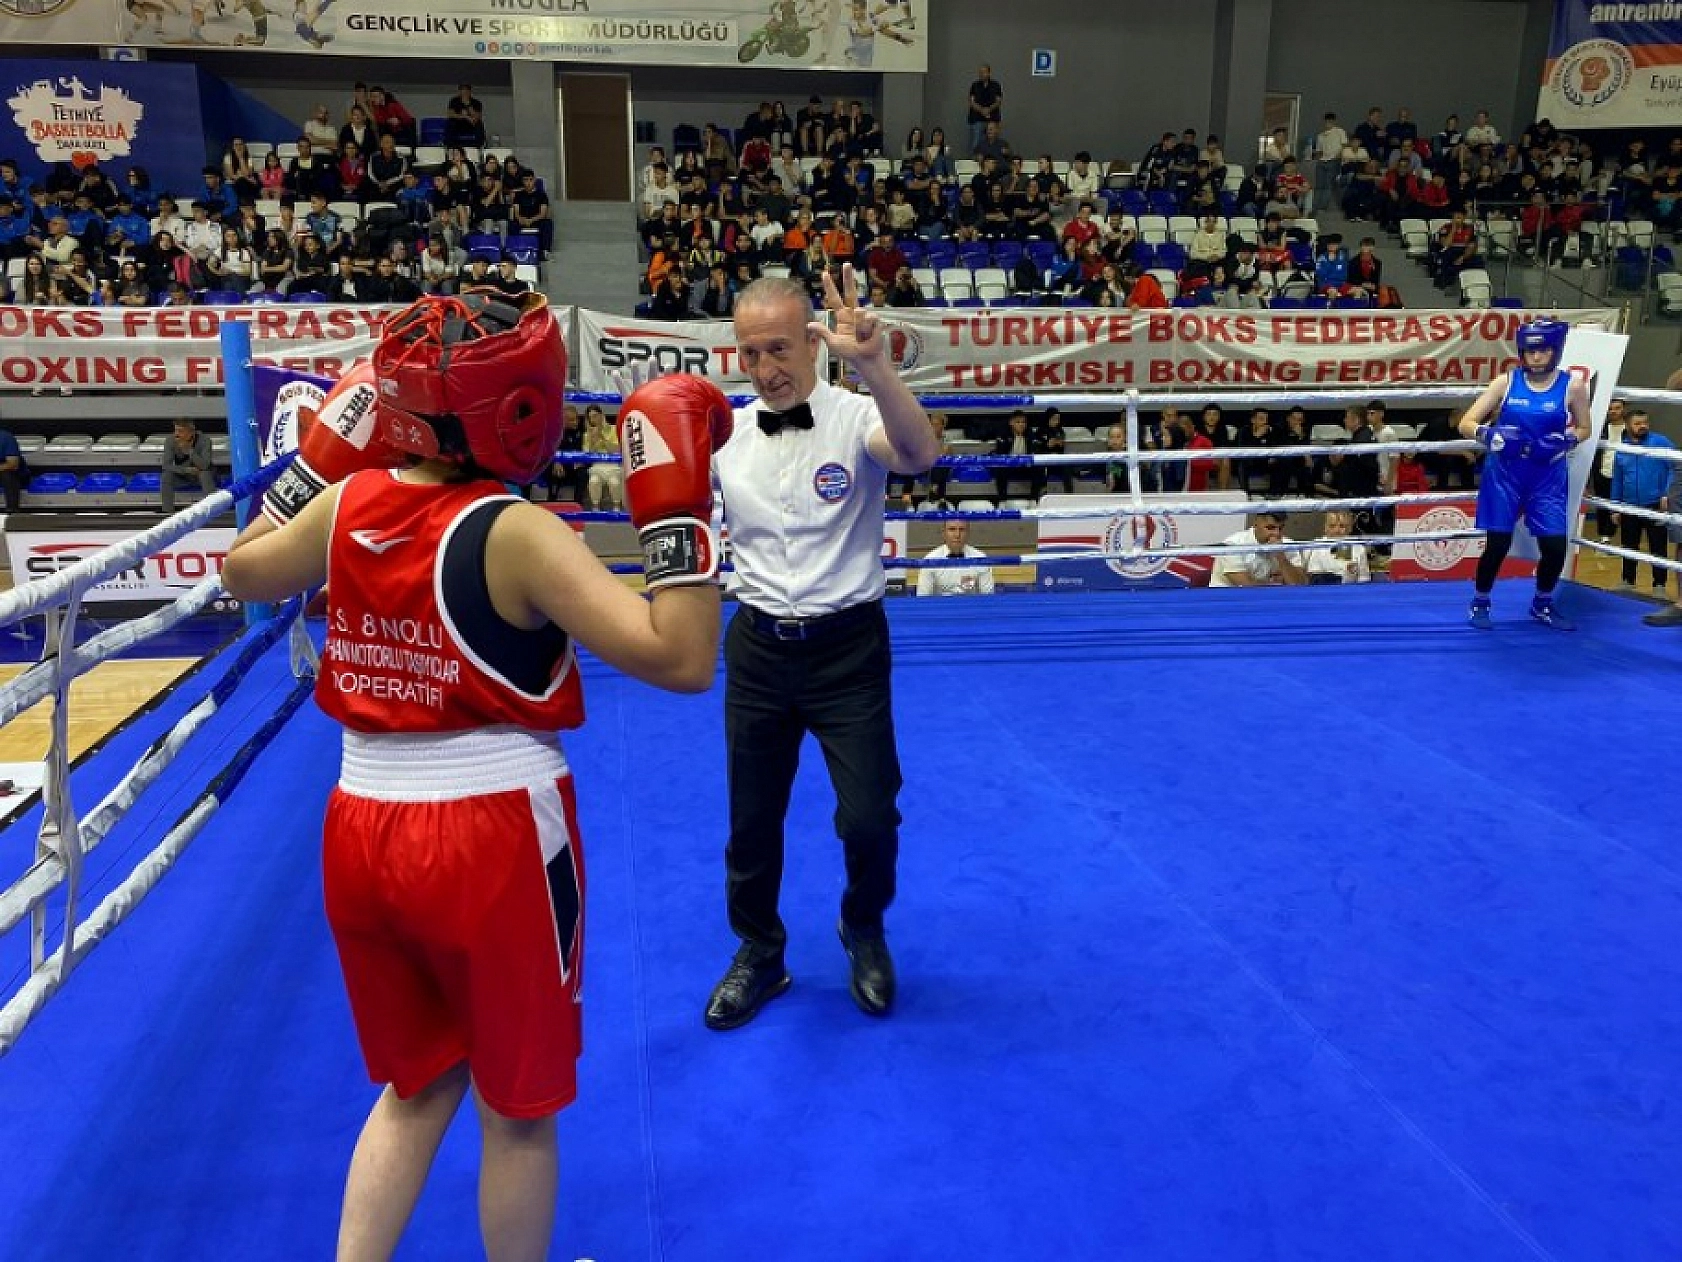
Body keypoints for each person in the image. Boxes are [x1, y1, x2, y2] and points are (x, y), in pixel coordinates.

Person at [220, 292, 728, 1262]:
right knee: (517, 1108)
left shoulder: (343, 502)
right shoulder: (515, 532)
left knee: (415, 1084)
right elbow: (682, 654)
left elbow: (242, 571)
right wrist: (675, 504)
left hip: (359, 828)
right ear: (522, 408)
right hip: (489, 840)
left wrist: (312, 466)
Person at [705, 267, 940, 1030]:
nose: (766, 369)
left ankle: (862, 925)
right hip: (759, 648)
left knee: (871, 815)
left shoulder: (853, 413)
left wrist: (874, 362)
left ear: (812, 341)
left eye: (779, 348)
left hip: (848, 650)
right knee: (751, 819)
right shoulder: (726, 436)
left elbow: (919, 453)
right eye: (749, 353)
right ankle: (760, 951)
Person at [1456, 318, 1590, 630]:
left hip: (1547, 475)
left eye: (1543, 350)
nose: (1536, 357)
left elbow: (1585, 427)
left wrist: (1567, 438)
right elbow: (1465, 421)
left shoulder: (1573, 386)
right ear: (1522, 352)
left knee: (1556, 546)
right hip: (1505, 474)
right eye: (1530, 351)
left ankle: (1542, 603)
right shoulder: (1505, 382)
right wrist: (1488, 435)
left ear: (1555, 351)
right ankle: (1480, 601)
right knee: (1498, 543)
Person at [1608, 407, 1673, 597]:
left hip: (1655, 505)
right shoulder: (1622, 448)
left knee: (1658, 546)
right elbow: (1618, 479)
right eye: (1637, 424)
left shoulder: (1661, 442)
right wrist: (1614, 506)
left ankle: (1659, 585)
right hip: (1629, 506)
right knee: (1629, 546)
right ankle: (1628, 581)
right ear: (1627, 425)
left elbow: (1675, 467)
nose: (1642, 426)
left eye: (1645, 422)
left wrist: (1667, 494)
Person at [1208, 511, 1307, 587]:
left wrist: (1281, 557)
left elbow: (1300, 585)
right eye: (1270, 528)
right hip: (1226, 601)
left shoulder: (1287, 545)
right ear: (1255, 524)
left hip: (1267, 601)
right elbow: (1246, 587)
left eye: (1280, 528)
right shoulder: (1233, 544)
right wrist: (1275, 584)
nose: (1276, 534)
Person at [917, 519, 995, 596]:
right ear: (944, 533)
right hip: (941, 608)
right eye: (952, 529)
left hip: (970, 607)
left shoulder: (981, 558)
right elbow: (922, 598)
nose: (957, 535)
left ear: (968, 533)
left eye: (962, 529)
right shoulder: (930, 560)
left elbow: (988, 597)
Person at [160, 418, 216, 513]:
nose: (177, 434)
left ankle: (213, 510)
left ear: (191, 432)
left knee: (205, 473)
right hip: (183, 475)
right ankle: (167, 511)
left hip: (202, 474)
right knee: (167, 475)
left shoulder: (205, 440)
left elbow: (205, 465)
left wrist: (190, 451)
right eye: (175, 430)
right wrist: (186, 470)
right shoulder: (170, 440)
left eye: (180, 431)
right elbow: (166, 465)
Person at [1304, 510, 1372, 584]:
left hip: (1347, 592)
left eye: (1342, 526)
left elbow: (1364, 579)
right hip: (1318, 592)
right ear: (1325, 527)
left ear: (1350, 528)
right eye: (1332, 526)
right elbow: (1302, 577)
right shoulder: (1313, 546)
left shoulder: (1359, 549)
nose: (1337, 530)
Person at [0, 422, 23, 512]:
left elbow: (13, 464)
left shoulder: (5, 437)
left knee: (7, 475)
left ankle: (12, 511)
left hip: (11, 473)